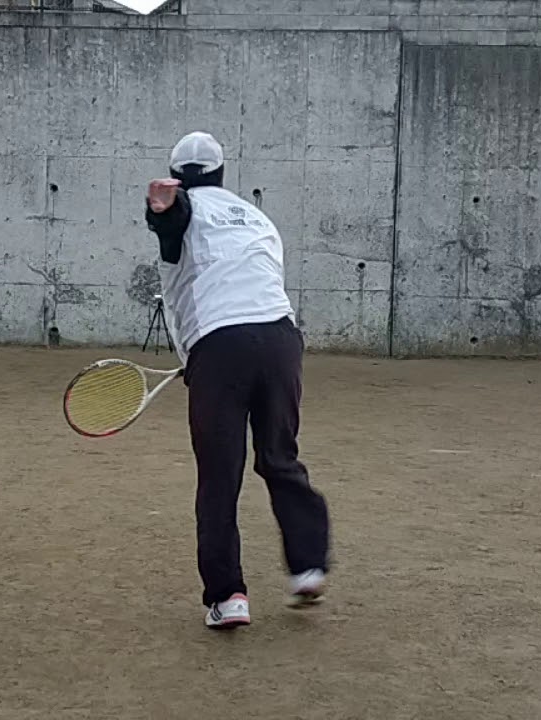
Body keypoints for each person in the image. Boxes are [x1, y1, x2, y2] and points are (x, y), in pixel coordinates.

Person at [144, 131, 331, 630]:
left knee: (219, 474)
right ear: (222, 172)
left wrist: (160, 211)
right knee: (280, 457)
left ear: (177, 176)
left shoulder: (182, 208)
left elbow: (172, 221)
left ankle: (228, 598)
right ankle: (308, 567)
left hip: (220, 347)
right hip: (281, 340)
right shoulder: (257, 217)